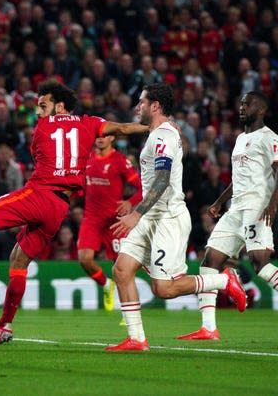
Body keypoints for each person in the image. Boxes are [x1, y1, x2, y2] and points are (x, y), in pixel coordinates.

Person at [0, 80, 151, 345]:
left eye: (43, 105)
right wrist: (156, 124)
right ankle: (4, 325)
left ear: (59, 106)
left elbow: (39, 156)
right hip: (59, 208)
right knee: (18, 262)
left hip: (39, 194)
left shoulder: (40, 130)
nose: (38, 112)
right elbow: (123, 128)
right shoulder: (89, 123)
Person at [105, 83, 246, 352]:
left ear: (155, 106)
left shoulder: (164, 137)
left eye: (141, 102)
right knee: (122, 270)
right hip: (150, 217)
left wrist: (136, 213)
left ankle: (225, 280)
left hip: (167, 218)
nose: (137, 107)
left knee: (164, 289)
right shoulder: (158, 132)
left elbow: (162, 179)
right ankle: (136, 338)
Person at [177, 91, 278, 341]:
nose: (242, 107)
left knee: (261, 264)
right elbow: (238, 179)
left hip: (257, 206)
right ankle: (208, 328)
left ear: (261, 109)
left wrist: (272, 206)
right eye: (241, 103)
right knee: (210, 262)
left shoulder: (269, 138)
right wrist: (219, 202)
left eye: (248, 103)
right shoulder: (241, 139)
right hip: (235, 209)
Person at [77, 135, 142, 311]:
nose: (100, 139)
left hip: (114, 221)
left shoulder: (120, 160)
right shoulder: (87, 159)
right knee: (84, 259)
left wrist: (130, 202)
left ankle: (127, 311)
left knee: (122, 269)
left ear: (112, 137)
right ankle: (106, 285)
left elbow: (142, 187)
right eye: (97, 136)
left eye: (104, 135)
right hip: (91, 218)